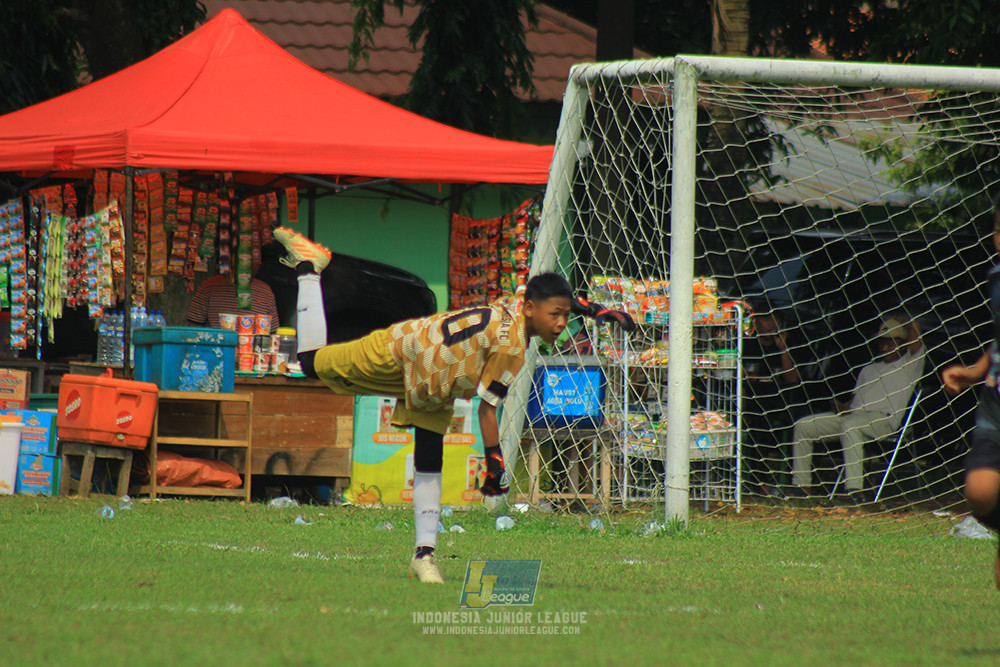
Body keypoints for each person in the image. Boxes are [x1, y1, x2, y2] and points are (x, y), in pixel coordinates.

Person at [272, 227, 635, 584]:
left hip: (434, 383)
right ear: (530, 310)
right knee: (308, 362)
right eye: (555, 315)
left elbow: (548, 296)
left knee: (430, 457)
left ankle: (424, 556)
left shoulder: (517, 305)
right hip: (404, 353)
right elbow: (487, 410)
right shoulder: (512, 349)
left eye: (565, 315)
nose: (560, 323)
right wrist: (495, 465)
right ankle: (308, 266)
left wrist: (596, 310)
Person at [787, 313, 924, 502]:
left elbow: (915, 329)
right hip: (853, 417)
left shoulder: (910, 363)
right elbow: (853, 402)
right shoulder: (868, 369)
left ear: (902, 343)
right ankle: (801, 486)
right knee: (803, 425)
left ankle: (854, 489)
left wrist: (896, 318)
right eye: (882, 343)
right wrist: (841, 406)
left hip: (883, 420)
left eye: (891, 342)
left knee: (851, 425)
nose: (885, 347)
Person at [941, 196, 1000, 589]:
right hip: (996, 405)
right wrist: (975, 372)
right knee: (978, 492)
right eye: (998, 230)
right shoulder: (997, 277)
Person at [742, 310, 811, 494]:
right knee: (761, 419)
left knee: (804, 418)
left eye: (775, 319)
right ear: (755, 323)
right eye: (766, 319)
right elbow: (741, 380)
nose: (772, 324)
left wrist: (783, 349)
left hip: (781, 401)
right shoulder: (748, 346)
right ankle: (760, 480)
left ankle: (797, 480)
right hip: (754, 399)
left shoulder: (786, 345)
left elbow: (792, 380)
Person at [186, 272, 280, 329]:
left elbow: (272, 333)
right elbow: (195, 328)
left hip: (253, 355)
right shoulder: (209, 286)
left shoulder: (265, 291)